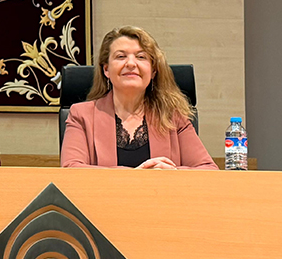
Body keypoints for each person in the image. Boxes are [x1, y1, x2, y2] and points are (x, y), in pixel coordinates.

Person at [61, 26, 216, 169]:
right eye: (121, 56)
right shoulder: (81, 115)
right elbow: (71, 169)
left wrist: (171, 173)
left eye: (141, 57)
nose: (131, 63)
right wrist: (136, 176)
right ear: (106, 69)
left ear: (153, 71)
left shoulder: (173, 117)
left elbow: (208, 170)